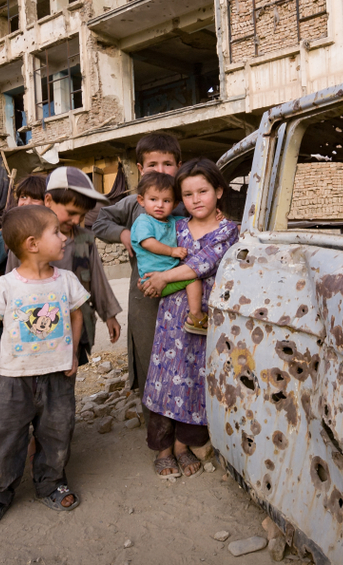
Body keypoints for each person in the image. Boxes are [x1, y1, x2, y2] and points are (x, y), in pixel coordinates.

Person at [0, 205, 90, 530]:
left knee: (57, 431)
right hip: (13, 378)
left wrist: (73, 354)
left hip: (57, 375)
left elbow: (77, 314)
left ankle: (51, 483)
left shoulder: (66, 280)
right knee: (6, 437)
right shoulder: (6, 285)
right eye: (56, 232)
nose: (63, 238)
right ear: (33, 243)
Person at [138, 158, 239, 479]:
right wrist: (150, 278)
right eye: (188, 194)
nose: (196, 199)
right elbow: (150, 251)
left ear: (218, 191)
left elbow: (204, 263)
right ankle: (163, 450)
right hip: (170, 318)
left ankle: (183, 445)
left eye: (203, 191)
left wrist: (163, 278)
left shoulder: (228, 230)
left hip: (204, 319)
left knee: (195, 379)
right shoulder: (175, 226)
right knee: (165, 378)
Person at [93, 133, 181, 397]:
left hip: (183, 289)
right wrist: (123, 233)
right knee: (148, 351)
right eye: (153, 165)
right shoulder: (134, 203)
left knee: (183, 352)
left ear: (179, 166)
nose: (160, 170)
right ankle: (151, 411)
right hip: (144, 292)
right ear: (141, 169)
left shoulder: (186, 199)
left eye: (168, 164)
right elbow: (100, 222)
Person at [7, 167, 122, 364]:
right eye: (71, 213)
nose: (76, 220)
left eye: (82, 215)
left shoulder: (85, 240)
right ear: (48, 200)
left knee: (69, 370)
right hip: (35, 330)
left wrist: (109, 315)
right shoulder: (25, 242)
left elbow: (97, 281)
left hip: (76, 328)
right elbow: (11, 286)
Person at [130, 171, 208, 335]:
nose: (159, 205)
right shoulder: (144, 221)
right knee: (193, 278)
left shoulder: (173, 221)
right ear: (141, 200)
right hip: (153, 280)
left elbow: (194, 221)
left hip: (167, 274)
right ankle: (196, 316)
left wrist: (218, 216)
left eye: (166, 201)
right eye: (153, 199)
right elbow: (148, 242)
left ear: (174, 204)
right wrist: (172, 251)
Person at [0, 175, 47, 276]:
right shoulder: (8, 230)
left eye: (35, 198)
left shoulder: (52, 232)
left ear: (47, 202)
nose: (27, 203)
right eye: (23, 197)